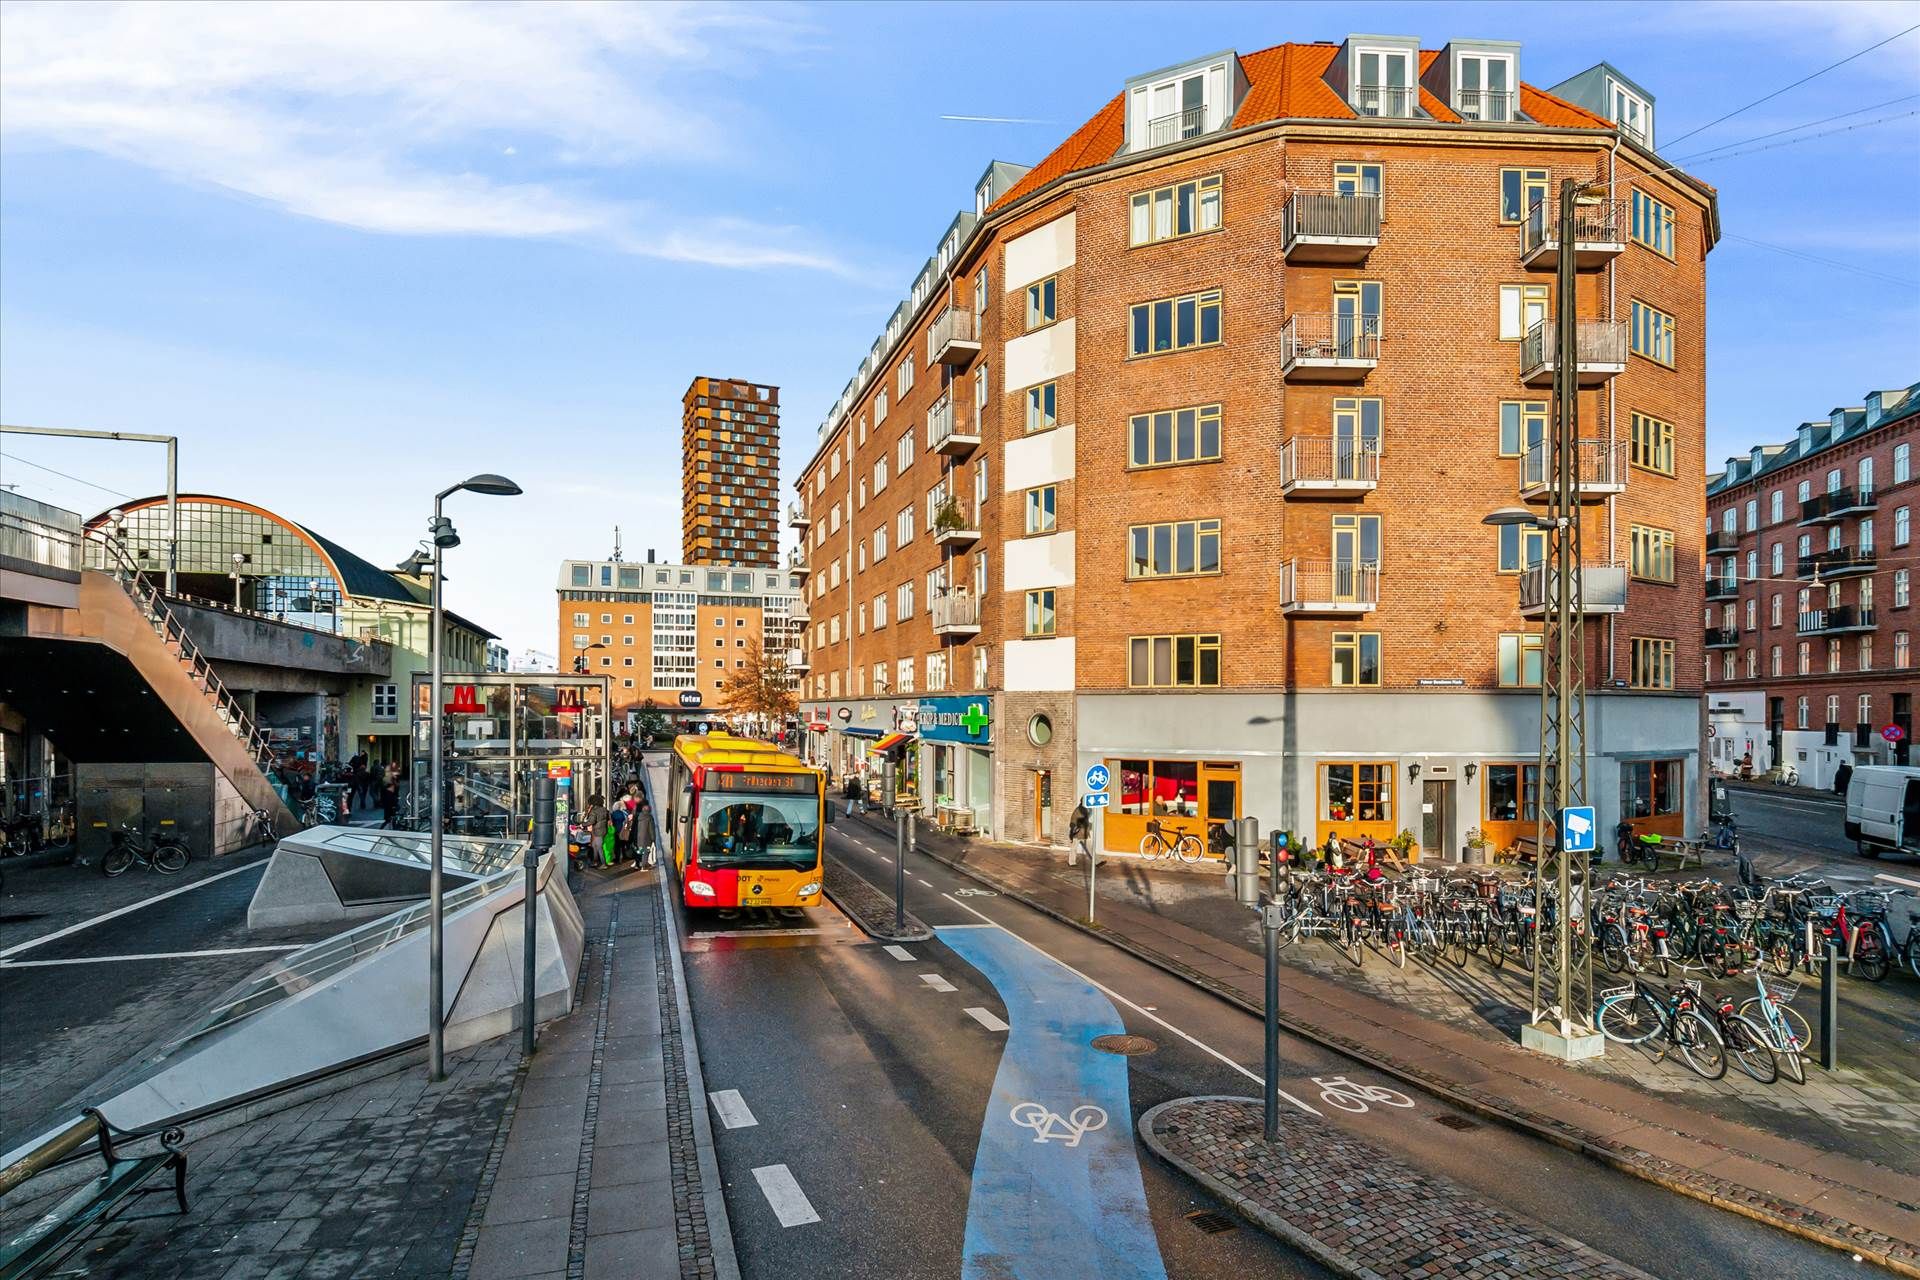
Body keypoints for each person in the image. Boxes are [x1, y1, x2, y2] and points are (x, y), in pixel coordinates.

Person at [1067, 803, 1090, 867]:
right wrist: (1072, 830)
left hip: (1084, 833)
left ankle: (1097, 862)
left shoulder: (1085, 809)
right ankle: (1071, 862)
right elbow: (1073, 820)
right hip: (1077, 833)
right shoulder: (1078, 810)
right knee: (1073, 848)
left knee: (1090, 848)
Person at [379, 765, 400, 829]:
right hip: (389, 800)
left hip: (390, 800)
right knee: (389, 817)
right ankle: (388, 828)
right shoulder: (387, 780)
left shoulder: (392, 780)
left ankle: (391, 827)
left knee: (390, 817)